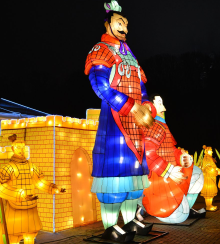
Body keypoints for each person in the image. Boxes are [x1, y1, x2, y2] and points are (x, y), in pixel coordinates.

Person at [84, 1, 155, 242]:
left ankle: (133, 220)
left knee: (134, 181)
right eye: (119, 22)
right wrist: (132, 106)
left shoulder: (131, 59)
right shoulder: (101, 50)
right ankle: (111, 226)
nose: (124, 27)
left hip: (136, 128)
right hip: (114, 124)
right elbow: (100, 86)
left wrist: (146, 107)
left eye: (126, 23)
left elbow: (142, 89)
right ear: (108, 23)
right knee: (114, 181)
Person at [141, 95, 204, 223]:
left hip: (171, 173)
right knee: (180, 216)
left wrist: (181, 157)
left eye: (162, 102)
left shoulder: (163, 125)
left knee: (197, 175)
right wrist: (168, 170)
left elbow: (170, 149)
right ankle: (142, 205)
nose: (163, 107)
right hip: (158, 178)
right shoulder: (152, 126)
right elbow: (148, 154)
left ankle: (185, 204)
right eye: (159, 103)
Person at [0, 135, 66, 244]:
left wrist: (55, 188)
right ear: (13, 149)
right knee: (14, 237)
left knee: (30, 235)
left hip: (31, 206)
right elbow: (2, 187)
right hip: (15, 207)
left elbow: (40, 182)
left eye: (23, 147)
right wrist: (19, 195)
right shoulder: (8, 168)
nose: (21, 150)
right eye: (18, 147)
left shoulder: (31, 166)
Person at [200, 146, 220, 211]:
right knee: (208, 193)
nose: (212, 152)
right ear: (207, 151)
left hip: (211, 177)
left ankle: (210, 205)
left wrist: (219, 170)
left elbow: (213, 167)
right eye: (211, 150)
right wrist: (215, 171)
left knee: (211, 193)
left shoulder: (210, 158)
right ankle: (208, 206)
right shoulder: (206, 158)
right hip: (208, 177)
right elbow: (206, 168)